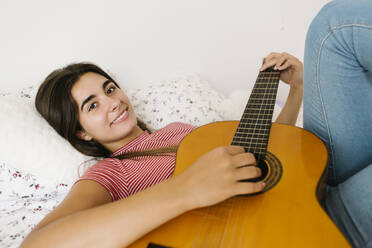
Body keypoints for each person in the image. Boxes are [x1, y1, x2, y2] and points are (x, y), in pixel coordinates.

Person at [19, 50, 303, 246]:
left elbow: (259, 157)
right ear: (81, 131)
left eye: (109, 89)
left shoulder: (178, 130)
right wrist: (186, 188)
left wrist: (298, 90)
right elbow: (39, 244)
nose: (114, 102)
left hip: (279, 217)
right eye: (92, 105)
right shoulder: (110, 172)